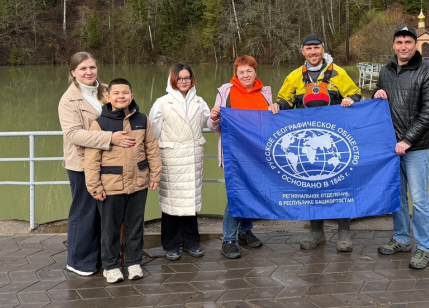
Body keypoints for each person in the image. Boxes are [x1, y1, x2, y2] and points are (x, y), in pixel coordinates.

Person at [273, 33, 361, 252]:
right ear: (302, 51)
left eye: (316, 48)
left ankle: (344, 234)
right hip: (307, 142)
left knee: (340, 185)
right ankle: (316, 233)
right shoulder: (294, 76)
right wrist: (277, 106)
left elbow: (356, 94)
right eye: (309, 48)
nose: (313, 52)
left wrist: (351, 99)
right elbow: (285, 100)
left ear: (323, 49)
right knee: (312, 186)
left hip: (335, 140)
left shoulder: (338, 72)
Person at [58, 52, 135, 277]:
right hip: (81, 163)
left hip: (109, 161)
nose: (89, 72)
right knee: (85, 212)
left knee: (105, 213)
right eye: (83, 69)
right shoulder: (68, 100)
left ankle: (102, 257)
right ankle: (79, 261)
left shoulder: (107, 91)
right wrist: (110, 138)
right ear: (73, 72)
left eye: (92, 67)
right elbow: (73, 134)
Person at [373, 25, 429, 269]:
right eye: (399, 42)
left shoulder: (428, 71)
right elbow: (379, 102)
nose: (403, 47)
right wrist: (376, 94)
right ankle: (402, 239)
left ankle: (424, 246)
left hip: (415, 148)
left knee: (419, 199)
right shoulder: (386, 70)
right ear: (394, 45)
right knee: (398, 197)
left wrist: (407, 140)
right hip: (391, 149)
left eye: (408, 42)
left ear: (415, 45)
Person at [84, 78, 162, 283]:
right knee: (109, 229)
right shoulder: (100, 123)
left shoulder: (142, 120)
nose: (121, 96)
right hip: (111, 186)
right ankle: (111, 266)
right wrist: (94, 186)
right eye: (116, 93)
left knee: (135, 226)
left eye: (125, 93)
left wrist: (155, 174)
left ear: (132, 96)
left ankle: (133, 263)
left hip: (138, 182)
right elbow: (91, 158)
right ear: (108, 97)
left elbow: (152, 148)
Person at [208, 55, 276, 259]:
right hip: (234, 154)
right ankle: (228, 239)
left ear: (255, 72)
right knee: (236, 195)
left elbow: (269, 124)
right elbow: (213, 126)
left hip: (256, 153)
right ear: (236, 74)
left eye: (249, 71)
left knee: (252, 192)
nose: (245, 75)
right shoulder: (226, 92)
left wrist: (275, 111)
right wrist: (213, 117)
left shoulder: (265, 93)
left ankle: (245, 231)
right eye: (241, 72)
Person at [150, 63, 210, 261]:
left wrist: (218, 115)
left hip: (192, 158)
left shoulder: (200, 102)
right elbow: (153, 132)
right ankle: (171, 244)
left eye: (187, 78)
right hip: (171, 159)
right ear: (173, 79)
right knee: (171, 204)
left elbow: (209, 123)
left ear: (192, 80)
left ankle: (192, 242)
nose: (184, 81)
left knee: (190, 203)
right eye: (180, 78)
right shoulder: (161, 103)